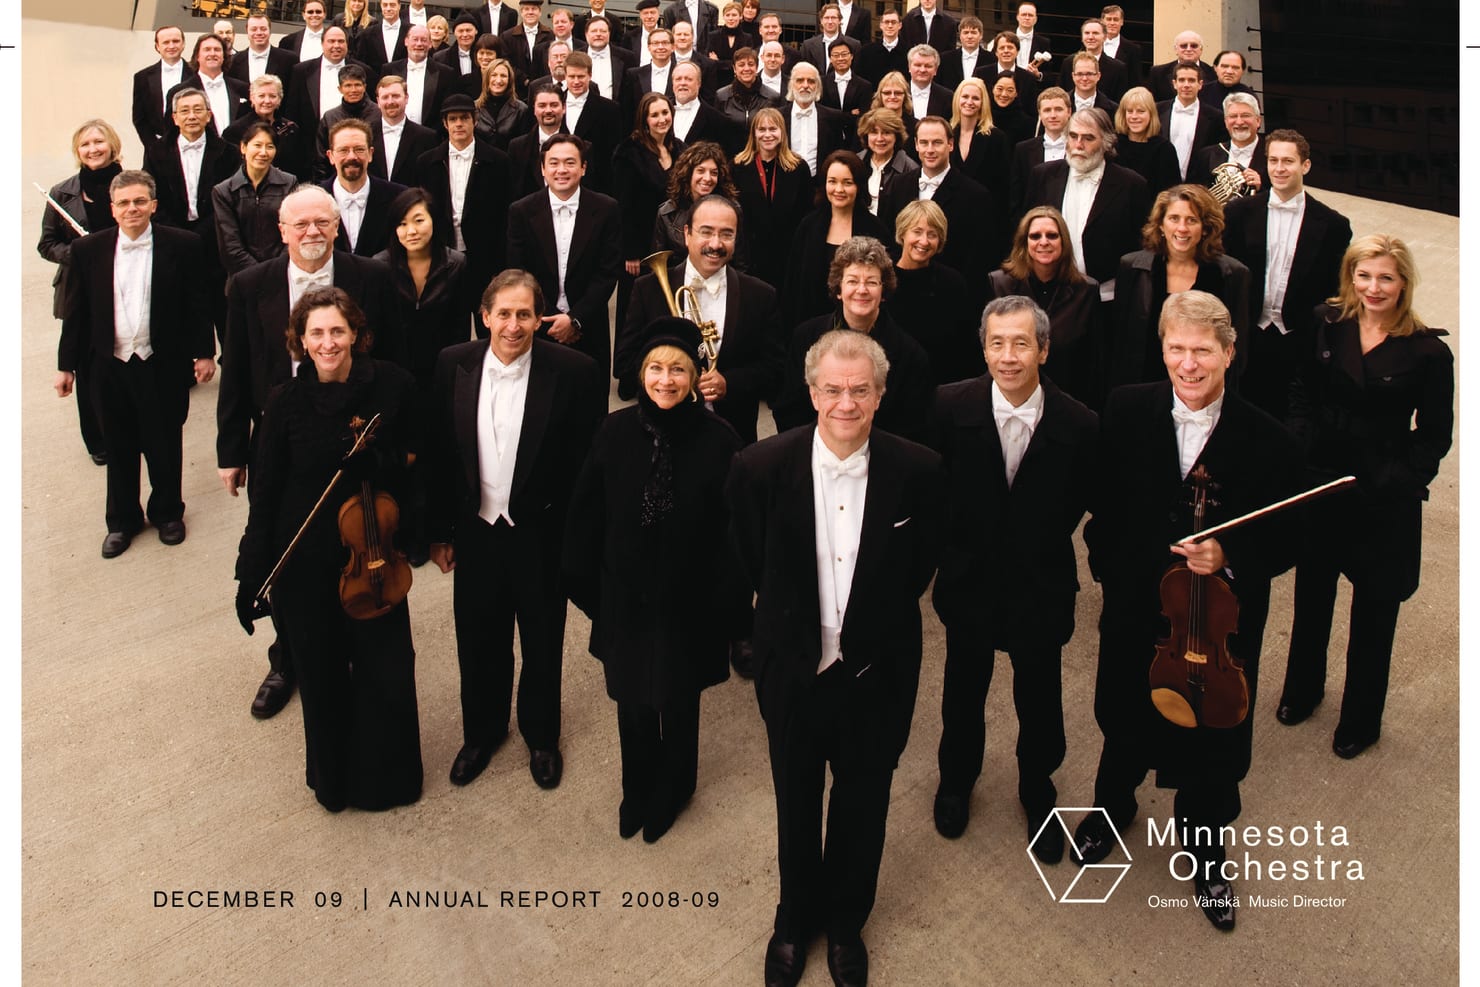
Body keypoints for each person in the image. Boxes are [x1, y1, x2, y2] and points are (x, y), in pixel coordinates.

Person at [1074, 290, 1300, 933]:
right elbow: (1102, 507)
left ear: (1230, 352)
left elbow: (1288, 537)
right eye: (1177, 348)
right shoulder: (1124, 409)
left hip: (1217, 626)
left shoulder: (1269, 438)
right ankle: (1112, 809)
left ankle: (1204, 847)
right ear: (1162, 348)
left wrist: (1232, 553)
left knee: (1214, 739)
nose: (1189, 364)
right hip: (1136, 606)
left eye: (1203, 350)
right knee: (1122, 715)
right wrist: (1111, 571)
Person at [726, 328, 942, 987]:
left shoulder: (920, 470)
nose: (845, 402)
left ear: (880, 395)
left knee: (864, 801)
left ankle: (847, 920)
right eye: (832, 389)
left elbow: (918, 569)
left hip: (877, 673)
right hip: (793, 670)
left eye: (860, 390)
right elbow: (745, 561)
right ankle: (794, 918)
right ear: (811, 391)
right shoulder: (759, 467)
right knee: (795, 799)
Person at [233, 286, 423, 813]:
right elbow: (265, 492)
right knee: (320, 677)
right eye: (316, 332)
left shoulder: (392, 386)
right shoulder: (285, 402)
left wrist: (380, 464)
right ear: (300, 341)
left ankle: (389, 780)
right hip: (304, 565)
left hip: (373, 559)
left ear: (356, 334)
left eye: (337, 330)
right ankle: (334, 781)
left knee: (386, 671)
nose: (327, 342)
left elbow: (414, 460)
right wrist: (253, 573)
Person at [217, 184, 402, 719]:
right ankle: (287, 659)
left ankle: (347, 648)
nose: (313, 233)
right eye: (300, 225)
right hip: (284, 446)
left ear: (337, 225)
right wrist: (233, 449)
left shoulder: (369, 276)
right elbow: (238, 369)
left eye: (323, 222)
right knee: (285, 551)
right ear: (282, 231)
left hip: (354, 441)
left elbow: (393, 361)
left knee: (352, 547)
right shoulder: (250, 285)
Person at [564, 317, 747, 842]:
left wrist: (725, 606)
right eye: (655, 369)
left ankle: (675, 788)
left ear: (694, 378)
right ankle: (637, 787)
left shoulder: (721, 440)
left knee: (679, 697)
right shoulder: (614, 431)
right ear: (641, 374)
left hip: (690, 601)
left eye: (678, 371)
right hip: (625, 596)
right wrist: (594, 592)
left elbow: (735, 535)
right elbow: (586, 514)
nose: (665, 380)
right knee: (632, 701)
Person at [929, 295, 1097, 856]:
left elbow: (1090, 504)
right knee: (963, 691)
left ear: (1044, 349)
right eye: (997, 343)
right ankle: (956, 780)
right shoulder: (948, 407)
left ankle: (1037, 787)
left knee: (1040, 697)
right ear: (983, 347)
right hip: (970, 581)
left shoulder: (1079, 423)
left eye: (1021, 343)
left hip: (1039, 585)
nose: (1008, 356)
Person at [426, 269, 607, 791]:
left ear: (539, 318)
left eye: (524, 314)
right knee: (478, 639)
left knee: (543, 639)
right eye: (502, 313)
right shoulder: (451, 364)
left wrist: (577, 541)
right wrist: (439, 531)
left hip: (541, 533)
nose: (513, 325)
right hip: (476, 530)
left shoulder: (576, 372)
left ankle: (542, 737)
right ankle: (481, 733)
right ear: (484, 316)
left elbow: (585, 467)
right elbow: (439, 454)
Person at [1276, 236, 1453, 760]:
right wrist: (1301, 440)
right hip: (1323, 481)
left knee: (1375, 611)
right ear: (1350, 277)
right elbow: (1301, 389)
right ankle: (1303, 690)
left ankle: (1361, 719)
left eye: (1385, 278)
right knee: (1312, 596)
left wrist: (1400, 477)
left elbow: (1435, 434)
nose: (1373, 288)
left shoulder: (1428, 351)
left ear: (1404, 284)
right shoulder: (1328, 323)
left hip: (1381, 495)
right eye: (1364, 276)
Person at [55, 170, 216, 558]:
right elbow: (75, 315)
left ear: (154, 205)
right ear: (112, 209)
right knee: (119, 443)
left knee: (164, 442)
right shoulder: (88, 250)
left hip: (161, 363)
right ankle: (122, 520)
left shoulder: (184, 245)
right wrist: (66, 367)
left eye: (140, 201)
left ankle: (167, 513)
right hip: (109, 366)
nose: (133, 208)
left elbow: (198, 303)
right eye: (124, 203)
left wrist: (205, 353)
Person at [618, 194, 783, 442]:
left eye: (726, 234)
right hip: (660, 433)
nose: (715, 244)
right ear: (687, 233)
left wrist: (729, 383)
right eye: (706, 232)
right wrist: (669, 379)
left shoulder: (761, 295)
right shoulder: (647, 289)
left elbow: (775, 370)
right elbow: (624, 363)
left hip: (732, 436)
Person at [1222, 128, 1353, 421]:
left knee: (1293, 421)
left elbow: (1335, 290)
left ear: (1305, 166)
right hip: (1247, 335)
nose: (1279, 169)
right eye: (1273, 161)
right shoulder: (1238, 213)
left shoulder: (1333, 225)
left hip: (1299, 340)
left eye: (1288, 161)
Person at [775, 236, 931, 442]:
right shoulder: (805, 338)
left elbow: (912, 428)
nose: (862, 290)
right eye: (852, 280)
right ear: (838, 289)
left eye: (872, 282)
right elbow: (789, 411)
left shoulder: (911, 355)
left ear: (883, 291)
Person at [1108, 183, 1251, 390]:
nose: (1182, 228)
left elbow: (1237, 351)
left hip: (1201, 388)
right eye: (1174, 219)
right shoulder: (1132, 267)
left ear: (1205, 228)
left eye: (1192, 220)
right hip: (1143, 387)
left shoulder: (1232, 275)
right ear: (1161, 225)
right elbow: (1119, 343)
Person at [38, 119, 123, 465]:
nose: (93, 149)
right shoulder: (62, 193)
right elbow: (46, 244)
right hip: (81, 289)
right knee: (88, 368)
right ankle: (98, 440)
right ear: (78, 151)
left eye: (99, 142)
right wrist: (80, 253)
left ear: (112, 145)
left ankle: (128, 428)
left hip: (124, 281)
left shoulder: (130, 184)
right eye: (85, 144)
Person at [506, 133, 624, 372]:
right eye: (554, 163)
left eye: (570, 163)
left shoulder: (606, 209)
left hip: (589, 325)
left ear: (583, 168)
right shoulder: (521, 211)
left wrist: (574, 319)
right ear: (542, 169)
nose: (562, 170)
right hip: (538, 324)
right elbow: (519, 271)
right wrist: (550, 318)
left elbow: (607, 272)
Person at [1024, 107, 1149, 301]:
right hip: (1050, 292)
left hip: (1107, 296)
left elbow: (1139, 245)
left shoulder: (1132, 184)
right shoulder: (1042, 176)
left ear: (1106, 143)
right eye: (1073, 136)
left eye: (1088, 138)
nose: (1078, 145)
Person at [989, 205, 1103, 406]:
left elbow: (1093, 361)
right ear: (1024, 242)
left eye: (1052, 235)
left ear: (1063, 242)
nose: (1043, 242)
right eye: (1035, 236)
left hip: (1068, 397)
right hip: (1010, 397)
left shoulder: (1087, 290)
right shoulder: (999, 284)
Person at [415, 93, 512, 308]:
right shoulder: (426, 162)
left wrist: (500, 266)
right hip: (443, 254)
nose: (459, 124)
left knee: (486, 319)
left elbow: (504, 214)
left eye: (464, 118)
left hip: (484, 255)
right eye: (453, 119)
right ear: (445, 123)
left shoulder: (498, 161)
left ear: (475, 120)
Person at [879, 115, 1000, 287]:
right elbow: (888, 237)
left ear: (950, 144)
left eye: (937, 142)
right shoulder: (899, 184)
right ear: (916, 145)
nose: (929, 149)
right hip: (901, 286)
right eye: (924, 142)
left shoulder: (976, 195)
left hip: (948, 291)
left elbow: (978, 258)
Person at [373, 186, 470, 394]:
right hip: (394, 372)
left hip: (441, 371)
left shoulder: (456, 264)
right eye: (402, 224)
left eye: (419, 221)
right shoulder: (380, 266)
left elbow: (460, 327)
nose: (411, 231)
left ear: (433, 220)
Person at [783, 150, 889, 328]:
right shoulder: (808, 226)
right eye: (832, 181)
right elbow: (792, 285)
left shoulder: (876, 229)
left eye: (847, 183)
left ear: (859, 186)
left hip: (860, 327)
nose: (839, 189)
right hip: (811, 325)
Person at [613, 91, 683, 341]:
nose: (661, 119)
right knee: (636, 311)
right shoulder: (628, 152)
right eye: (654, 115)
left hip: (671, 245)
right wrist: (630, 252)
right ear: (644, 120)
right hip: (639, 248)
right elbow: (623, 206)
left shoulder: (679, 148)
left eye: (665, 113)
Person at [890, 199, 977, 384]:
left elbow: (965, 346)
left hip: (941, 387)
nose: (924, 241)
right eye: (917, 232)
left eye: (932, 234)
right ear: (903, 232)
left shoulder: (953, 283)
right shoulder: (883, 281)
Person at [732, 107, 813, 292]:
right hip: (750, 254)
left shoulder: (799, 168)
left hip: (787, 254)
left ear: (782, 132)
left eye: (773, 129)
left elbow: (806, 212)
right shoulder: (738, 166)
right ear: (754, 133)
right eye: (762, 129)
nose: (767, 135)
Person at [213, 121, 299, 283]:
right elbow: (230, 246)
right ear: (243, 148)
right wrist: (260, 275)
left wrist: (277, 271)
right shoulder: (224, 191)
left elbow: (294, 233)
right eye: (257, 145)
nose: (263, 152)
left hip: (283, 277)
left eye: (270, 147)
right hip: (243, 279)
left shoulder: (289, 183)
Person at [320, 118, 406, 257]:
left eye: (359, 149)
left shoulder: (399, 197)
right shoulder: (314, 200)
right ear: (331, 156)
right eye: (343, 150)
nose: (352, 156)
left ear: (371, 154)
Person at [652, 140, 741, 255]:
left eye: (714, 173)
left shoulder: (733, 210)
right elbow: (658, 262)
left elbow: (740, 261)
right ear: (688, 173)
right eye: (701, 171)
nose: (707, 178)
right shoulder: (666, 214)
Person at [223, 74, 306, 181]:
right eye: (261, 96)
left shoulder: (291, 128)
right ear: (252, 98)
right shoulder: (234, 131)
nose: (267, 101)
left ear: (279, 99)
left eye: (272, 96)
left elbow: (299, 166)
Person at [1186, 92, 1268, 196]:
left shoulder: (1272, 155)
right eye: (1233, 116)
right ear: (1226, 122)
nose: (1239, 122)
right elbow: (1192, 196)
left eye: (1245, 115)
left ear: (1258, 121)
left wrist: (1260, 188)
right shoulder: (1206, 156)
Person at [1007, 85, 1071, 216]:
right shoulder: (1023, 150)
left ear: (1069, 112)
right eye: (1047, 110)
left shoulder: (1078, 148)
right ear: (1040, 114)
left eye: (1058, 109)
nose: (1053, 115)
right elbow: (1016, 197)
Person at [132, 26, 200, 148]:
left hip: (193, 144)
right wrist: (153, 147)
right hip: (156, 147)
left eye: (176, 41)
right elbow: (139, 118)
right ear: (157, 46)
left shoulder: (197, 74)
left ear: (183, 44)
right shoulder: (142, 77)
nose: (171, 46)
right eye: (166, 42)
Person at [369, 75, 442, 186]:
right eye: (385, 97)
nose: (390, 102)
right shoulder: (365, 135)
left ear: (406, 98)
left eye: (395, 96)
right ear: (378, 101)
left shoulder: (427, 137)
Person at [1157, 61, 1222, 179]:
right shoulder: (1157, 111)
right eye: (1182, 80)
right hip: (1162, 181)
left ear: (1200, 84)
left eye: (1191, 80)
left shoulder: (1215, 117)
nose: (1186, 85)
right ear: (1174, 84)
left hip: (1197, 183)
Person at [1111, 85, 1180, 196]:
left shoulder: (1165, 149)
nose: (1134, 116)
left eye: (1140, 111)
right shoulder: (1113, 146)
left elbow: (1170, 194)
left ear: (1151, 114)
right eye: (1130, 111)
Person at [949, 76, 1010, 193]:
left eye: (975, 98)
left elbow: (1003, 182)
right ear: (957, 99)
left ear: (983, 103)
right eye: (965, 97)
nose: (969, 102)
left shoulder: (997, 138)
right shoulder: (946, 133)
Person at [857, 107, 918, 216]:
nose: (880, 138)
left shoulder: (910, 169)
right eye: (874, 132)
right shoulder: (856, 162)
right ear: (866, 136)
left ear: (896, 136)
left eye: (886, 132)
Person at [715, 46, 783, 131]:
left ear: (757, 67)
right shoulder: (722, 96)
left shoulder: (772, 97)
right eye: (741, 65)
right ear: (734, 69)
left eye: (751, 64)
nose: (746, 69)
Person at [1058, 19, 1128, 100]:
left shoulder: (1118, 68)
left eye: (1095, 33)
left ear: (1105, 37)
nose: (1090, 37)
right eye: (1087, 33)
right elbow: (1061, 95)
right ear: (1082, 37)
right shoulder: (1068, 63)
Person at [227, 13, 300, 87]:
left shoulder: (289, 59)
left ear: (270, 31)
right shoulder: (233, 61)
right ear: (247, 31)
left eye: (263, 29)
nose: (259, 33)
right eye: (254, 29)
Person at [474, 58, 534, 149]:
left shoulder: (521, 110)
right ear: (487, 79)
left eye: (503, 76)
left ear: (510, 80)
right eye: (494, 75)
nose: (498, 80)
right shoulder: (474, 108)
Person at [1146, 29, 1216, 102]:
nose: (1188, 49)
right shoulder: (1158, 73)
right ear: (1176, 49)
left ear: (1201, 50)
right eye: (1184, 46)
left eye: (1194, 46)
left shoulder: (1213, 73)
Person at [856, 7, 908, 86]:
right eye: (886, 22)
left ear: (900, 25)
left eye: (893, 22)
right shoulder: (866, 52)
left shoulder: (909, 53)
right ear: (881, 25)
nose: (890, 26)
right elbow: (860, 80)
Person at [866, 71, 916, 147]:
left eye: (898, 93)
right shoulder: (867, 122)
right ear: (880, 95)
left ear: (905, 96)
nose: (892, 97)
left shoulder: (915, 126)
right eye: (887, 93)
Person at [989, 73, 1033, 146]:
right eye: (1000, 89)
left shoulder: (1026, 123)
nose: (1004, 94)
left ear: (1016, 93)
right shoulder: (981, 117)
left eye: (1010, 90)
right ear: (993, 89)